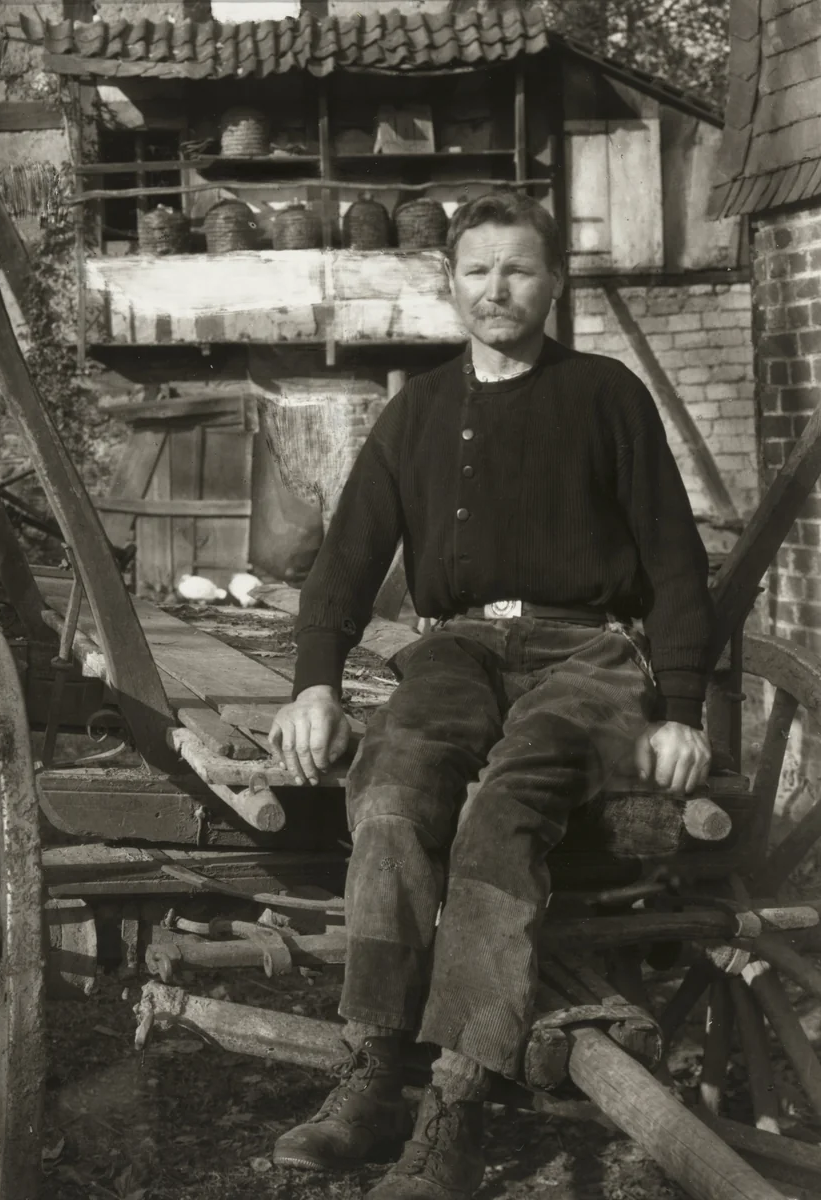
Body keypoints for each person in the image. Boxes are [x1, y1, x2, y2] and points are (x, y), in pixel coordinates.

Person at [267, 191, 713, 1200]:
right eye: (476, 270)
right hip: (454, 648)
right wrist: (313, 687)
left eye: (517, 270)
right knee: (386, 794)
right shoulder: (419, 409)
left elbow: (677, 568)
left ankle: (454, 1105)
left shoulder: (608, 395)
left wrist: (680, 709)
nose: (496, 289)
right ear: (450, 283)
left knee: (502, 813)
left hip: (587, 652)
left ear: (553, 283)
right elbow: (344, 562)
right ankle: (375, 1071)